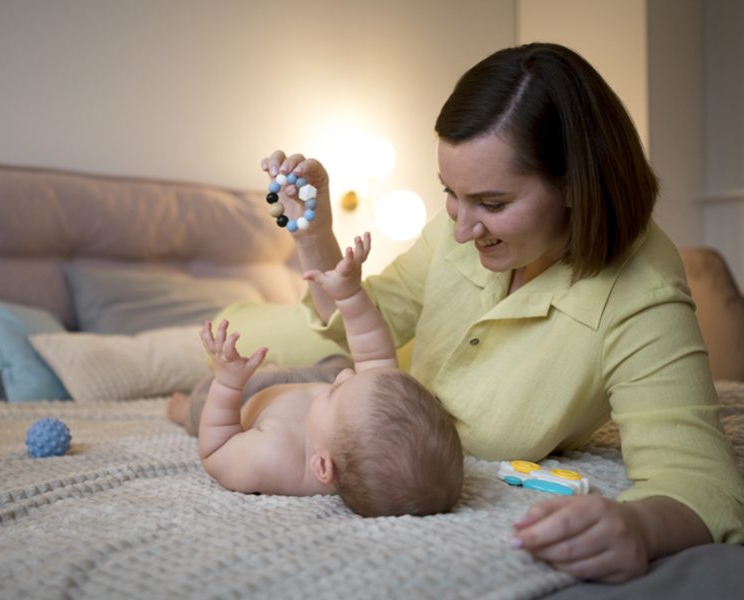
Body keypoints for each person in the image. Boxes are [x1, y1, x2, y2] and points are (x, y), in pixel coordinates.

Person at [260, 42, 744, 583]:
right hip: (342, 379)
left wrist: (639, 527)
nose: (461, 229)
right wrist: (315, 234)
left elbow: (702, 483)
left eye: (492, 205)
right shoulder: (457, 228)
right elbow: (359, 322)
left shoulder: (639, 288)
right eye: (451, 193)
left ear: (575, 186)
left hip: (348, 392)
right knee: (230, 352)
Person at [167, 233, 464, 517]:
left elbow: (217, 450)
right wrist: (349, 295)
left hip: (248, 396)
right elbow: (371, 351)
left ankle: (184, 411)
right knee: (339, 362)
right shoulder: (356, 410)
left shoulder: (272, 458)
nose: (348, 374)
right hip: (315, 377)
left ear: (322, 466)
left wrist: (228, 382)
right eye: (354, 379)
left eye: (337, 391)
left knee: (204, 405)